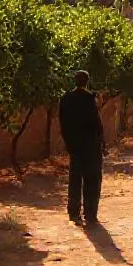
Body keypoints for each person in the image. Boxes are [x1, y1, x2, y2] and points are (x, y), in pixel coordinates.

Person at [59, 70, 105, 225]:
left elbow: (63, 123)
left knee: (75, 178)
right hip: (91, 144)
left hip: (75, 145)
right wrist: (102, 142)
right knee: (92, 178)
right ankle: (90, 213)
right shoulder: (89, 98)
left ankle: (73, 212)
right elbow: (96, 123)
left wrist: (68, 143)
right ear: (87, 81)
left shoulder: (66, 99)